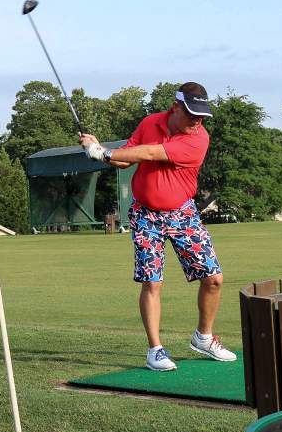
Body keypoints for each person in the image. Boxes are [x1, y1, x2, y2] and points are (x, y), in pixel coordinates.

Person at [80, 82, 236, 371]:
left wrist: (101, 152)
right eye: (191, 114)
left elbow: (150, 154)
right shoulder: (150, 122)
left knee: (213, 278)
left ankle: (203, 337)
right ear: (175, 107)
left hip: (183, 213)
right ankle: (155, 350)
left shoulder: (198, 139)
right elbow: (127, 160)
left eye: (201, 116)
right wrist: (99, 149)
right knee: (152, 281)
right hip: (145, 214)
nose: (196, 121)